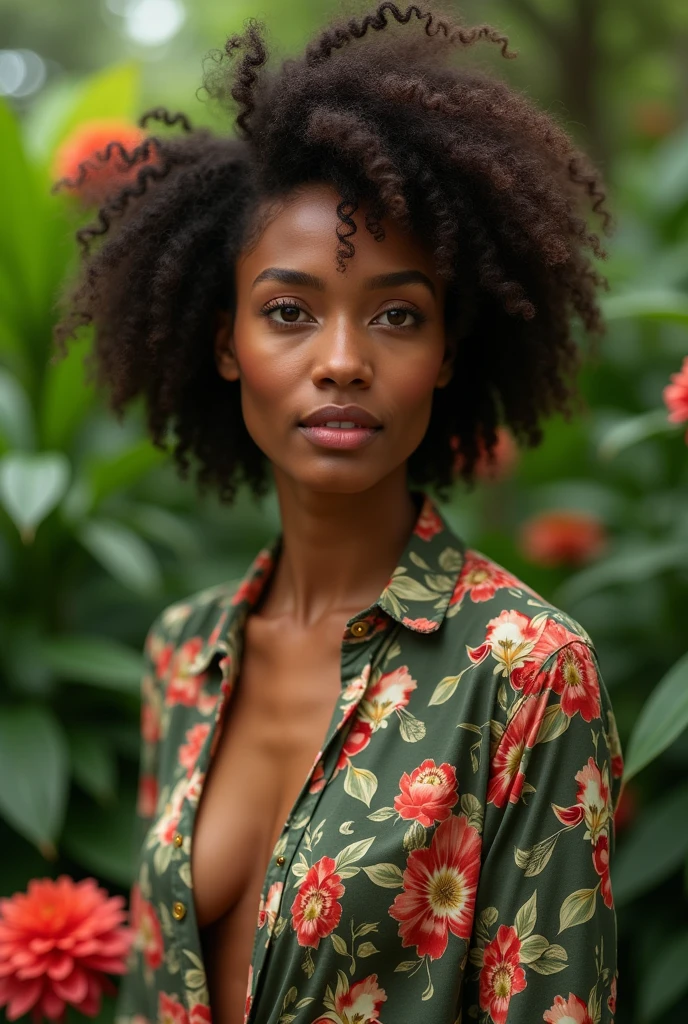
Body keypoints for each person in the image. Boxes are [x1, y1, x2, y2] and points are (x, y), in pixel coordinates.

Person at [53, 4, 623, 1023]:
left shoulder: (525, 671)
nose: (343, 359)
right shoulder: (181, 656)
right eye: (289, 310)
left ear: (447, 352)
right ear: (224, 339)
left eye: (397, 314)